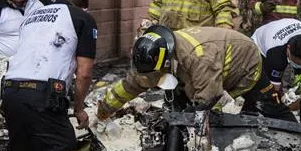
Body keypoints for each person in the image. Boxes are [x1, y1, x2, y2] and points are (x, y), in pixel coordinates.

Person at [0, 0, 97, 151]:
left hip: (11, 90)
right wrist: (79, 108)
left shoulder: (32, 17)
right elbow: (84, 72)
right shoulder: (82, 18)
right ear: (83, 8)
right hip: (42, 94)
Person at [96, 26, 289, 121]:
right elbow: (132, 84)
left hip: (244, 65)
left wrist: (193, 118)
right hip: (204, 65)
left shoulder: (199, 60)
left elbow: (208, 101)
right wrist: (104, 109)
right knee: (178, 109)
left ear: (167, 60)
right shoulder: (159, 55)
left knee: (261, 109)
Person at [250, 18, 301, 125]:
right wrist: (284, 104)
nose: (299, 67)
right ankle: (250, 112)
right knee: (265, 93)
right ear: (288, 49)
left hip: (290, 33)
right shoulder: (275, 55)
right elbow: (274, 90)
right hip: (260, 46)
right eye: (296, 63)